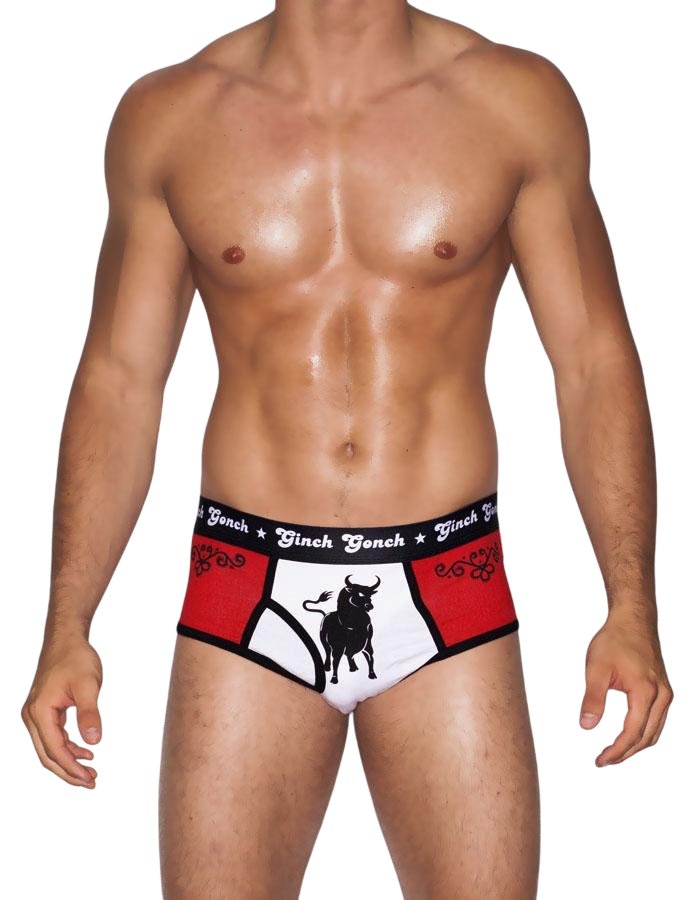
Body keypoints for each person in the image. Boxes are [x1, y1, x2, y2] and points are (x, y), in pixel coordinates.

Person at [21, 2, 673, 897]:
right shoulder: (171, 116)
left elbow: (593, 362)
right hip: (246, 582)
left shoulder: (514, 101)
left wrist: (630, 604)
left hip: (448, 582)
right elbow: (120, 381)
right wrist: (68, 622)